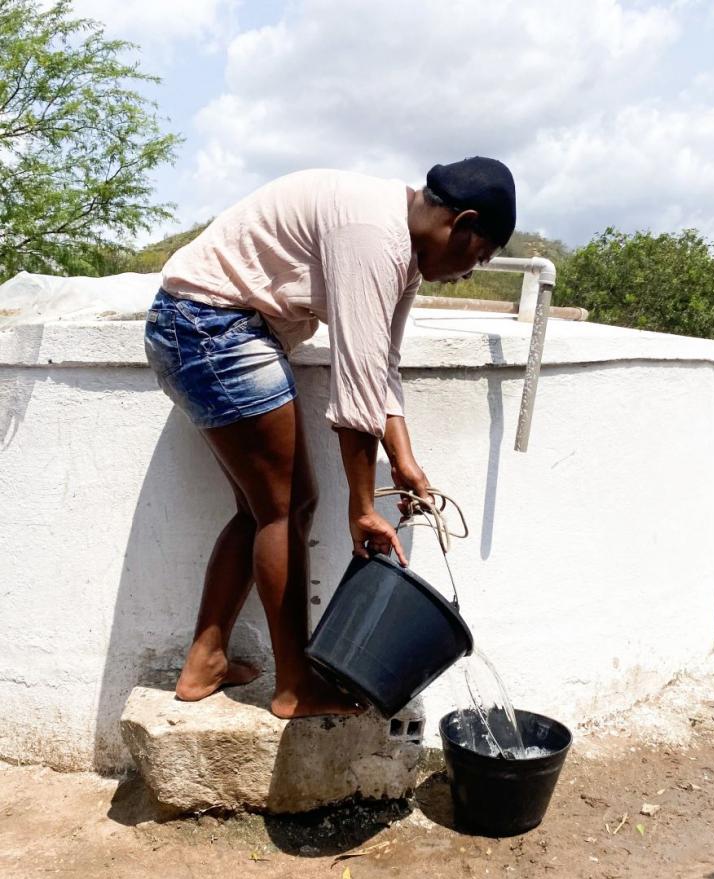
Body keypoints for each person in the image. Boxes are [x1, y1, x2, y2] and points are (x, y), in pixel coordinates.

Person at [143, 156, 516, 718]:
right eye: (479, 257)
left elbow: (380, 365)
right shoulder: (372, 237)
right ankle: (294, 687)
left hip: (198, 326)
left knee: (260, 508)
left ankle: (206, 661)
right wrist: (361, 508)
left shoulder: (403, 251)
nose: (470, 273)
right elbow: (356, 388)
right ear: (461, 224)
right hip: (209, 328)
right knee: (288, 507)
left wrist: (405, 461)